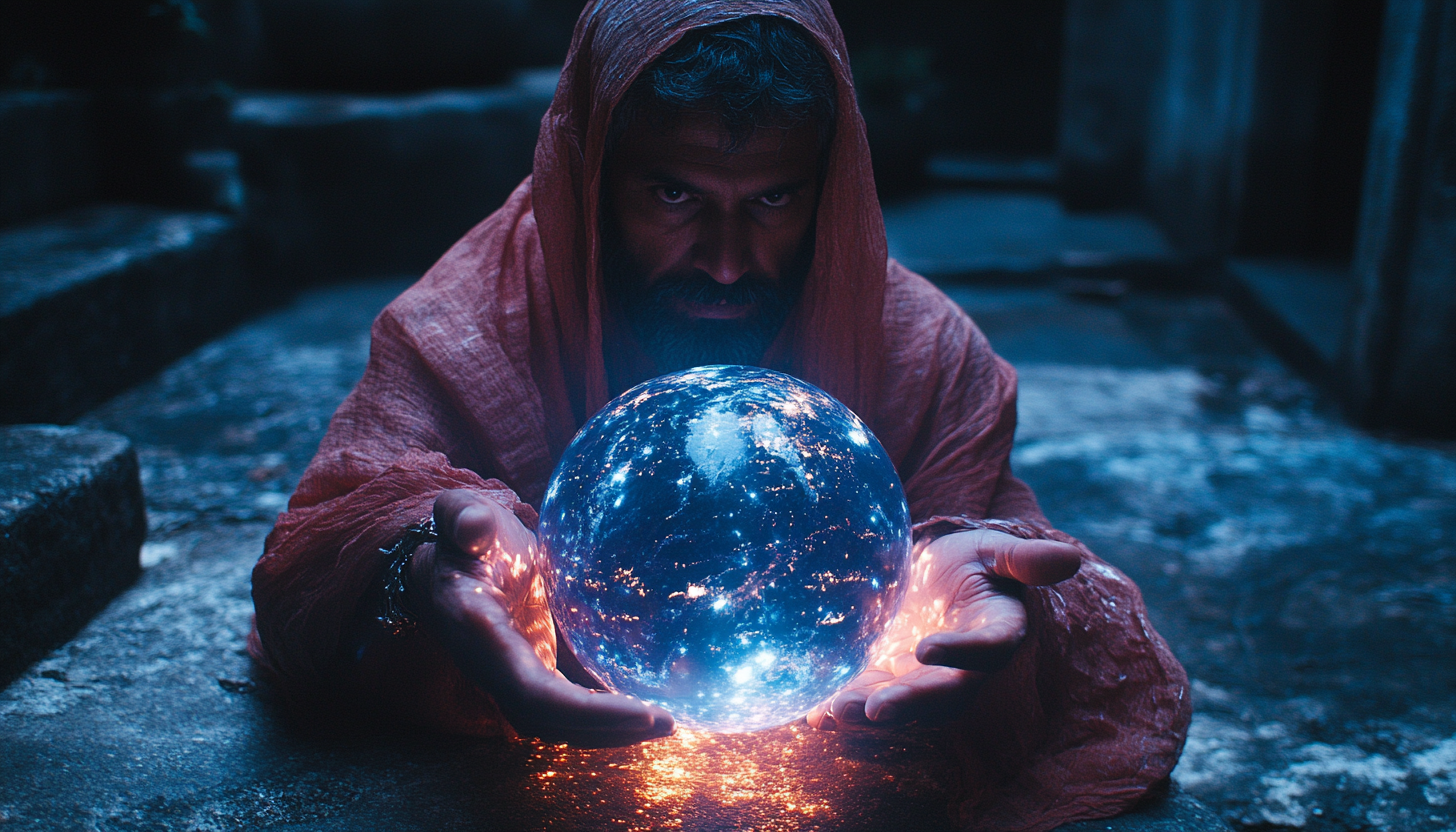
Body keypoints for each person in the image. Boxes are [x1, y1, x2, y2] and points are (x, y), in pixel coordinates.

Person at [249, 1, 1191, 829]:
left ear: (831, 183)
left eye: (775, 197)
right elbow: (318, 565)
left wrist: (966, 584)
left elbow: (996, 562)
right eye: (674, 194)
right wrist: (417, 568)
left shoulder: (929, 360)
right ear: (592, 173)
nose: (730, 260)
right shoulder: (460, 339)